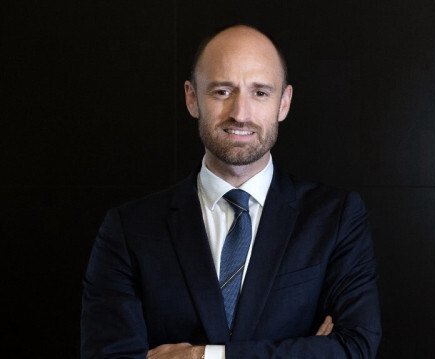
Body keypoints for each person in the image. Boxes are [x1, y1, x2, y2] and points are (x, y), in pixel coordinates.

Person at [80, 24, 381, 359]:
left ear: (284, 103)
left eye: (260, 93)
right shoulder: (128, 229)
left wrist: (202, 356)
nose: (240, 113)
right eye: (222, 91)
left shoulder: (336, 217)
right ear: (192, 98)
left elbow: (354, 348)